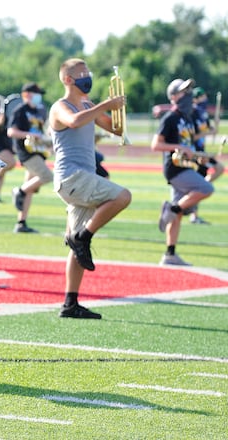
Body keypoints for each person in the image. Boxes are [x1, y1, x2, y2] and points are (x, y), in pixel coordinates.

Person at [49, 58, 131, 319]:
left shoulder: (88, 104)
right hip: (71, 177)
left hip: (83, 178)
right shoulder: (61, 106)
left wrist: (117, 110)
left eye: (88, 72)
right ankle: (83, 237)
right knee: (122, 196)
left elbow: (115, 129)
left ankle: (70, 303)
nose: (86, 77)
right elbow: (73, 121)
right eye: (81, 74)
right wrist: (107, 105)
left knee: (77, 250)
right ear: (67, 79)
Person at [151, 78, 214, 266]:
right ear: (173, 97)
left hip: (185, 166)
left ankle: (170, 254)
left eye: (188, 91)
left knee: (176, 218)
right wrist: (178, 146)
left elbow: (189, 145)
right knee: (206, 188)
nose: (187, 95)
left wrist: (198, 156)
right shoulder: (170, 118)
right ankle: (174, 208)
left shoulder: (186, 118)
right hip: (174, 169)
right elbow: (156, 145)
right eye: (183, 92)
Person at [7, 82, 53, 233]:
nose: (39, 97)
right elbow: (11, 132)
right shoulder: (20, 110)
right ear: (27, 95)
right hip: (27, 152)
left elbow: (40, 131)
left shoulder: (39, 111)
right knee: (47, 176)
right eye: (36, 93)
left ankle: (21, 222)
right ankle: (19, 191)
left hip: (38, 151)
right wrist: (29, 135)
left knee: (30, 190)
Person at [188, 86, 225, 224]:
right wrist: (208, 132)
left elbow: (211, 130)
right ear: (195, 99)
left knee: (217, 170)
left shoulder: (203, 113)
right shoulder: (192, 113)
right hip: (195, 153)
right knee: (216, 169)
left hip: (203, 151)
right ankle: (193, 214)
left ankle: (194, 212)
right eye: (202, 96)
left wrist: (214, 127)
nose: (205, 99)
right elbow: (191, 137)